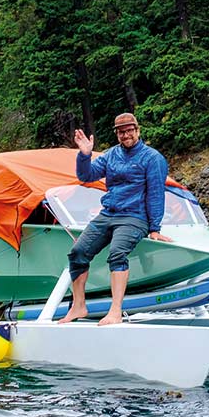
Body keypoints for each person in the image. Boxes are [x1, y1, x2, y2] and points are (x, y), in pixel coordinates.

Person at [58, 112, 172, 325]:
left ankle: (115, 311)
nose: (126, 135)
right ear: (117, 134)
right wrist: (84, 155)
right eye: (121, 132)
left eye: (129, 130)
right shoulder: (111, 155)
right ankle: (78, 306)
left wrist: (154, 228)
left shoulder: (153, 158)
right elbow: (86, 176)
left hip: (135, 217)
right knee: (77, 253)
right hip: (108, 213)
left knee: (117, 253)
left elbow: (156, 193)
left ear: (137, 131)